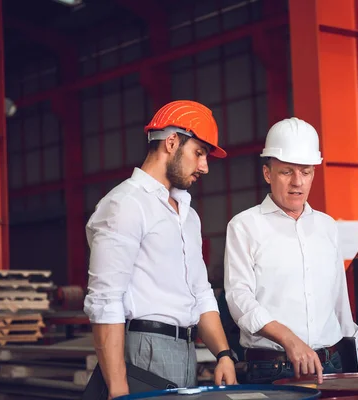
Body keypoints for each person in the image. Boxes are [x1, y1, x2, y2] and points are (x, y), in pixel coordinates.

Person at [83, 100, 238, 399]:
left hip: (185, 350)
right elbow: (106, 301)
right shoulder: (125, 204)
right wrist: (118, 390)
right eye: (199, 153)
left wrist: (223, 354)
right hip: (145, 348)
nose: (204, 166)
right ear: (171, 142)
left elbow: (201, 292)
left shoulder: (187, 215)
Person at [223, 117, 358, 384]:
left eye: (306, 172)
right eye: (287, 172)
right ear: (267, 173)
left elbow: (339, 301)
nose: (297, 182)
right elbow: (238, 298)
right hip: (272, 370)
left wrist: (352, 357)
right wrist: (289, 339)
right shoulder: (244, 226)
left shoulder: (327, 227)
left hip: (331, 367)